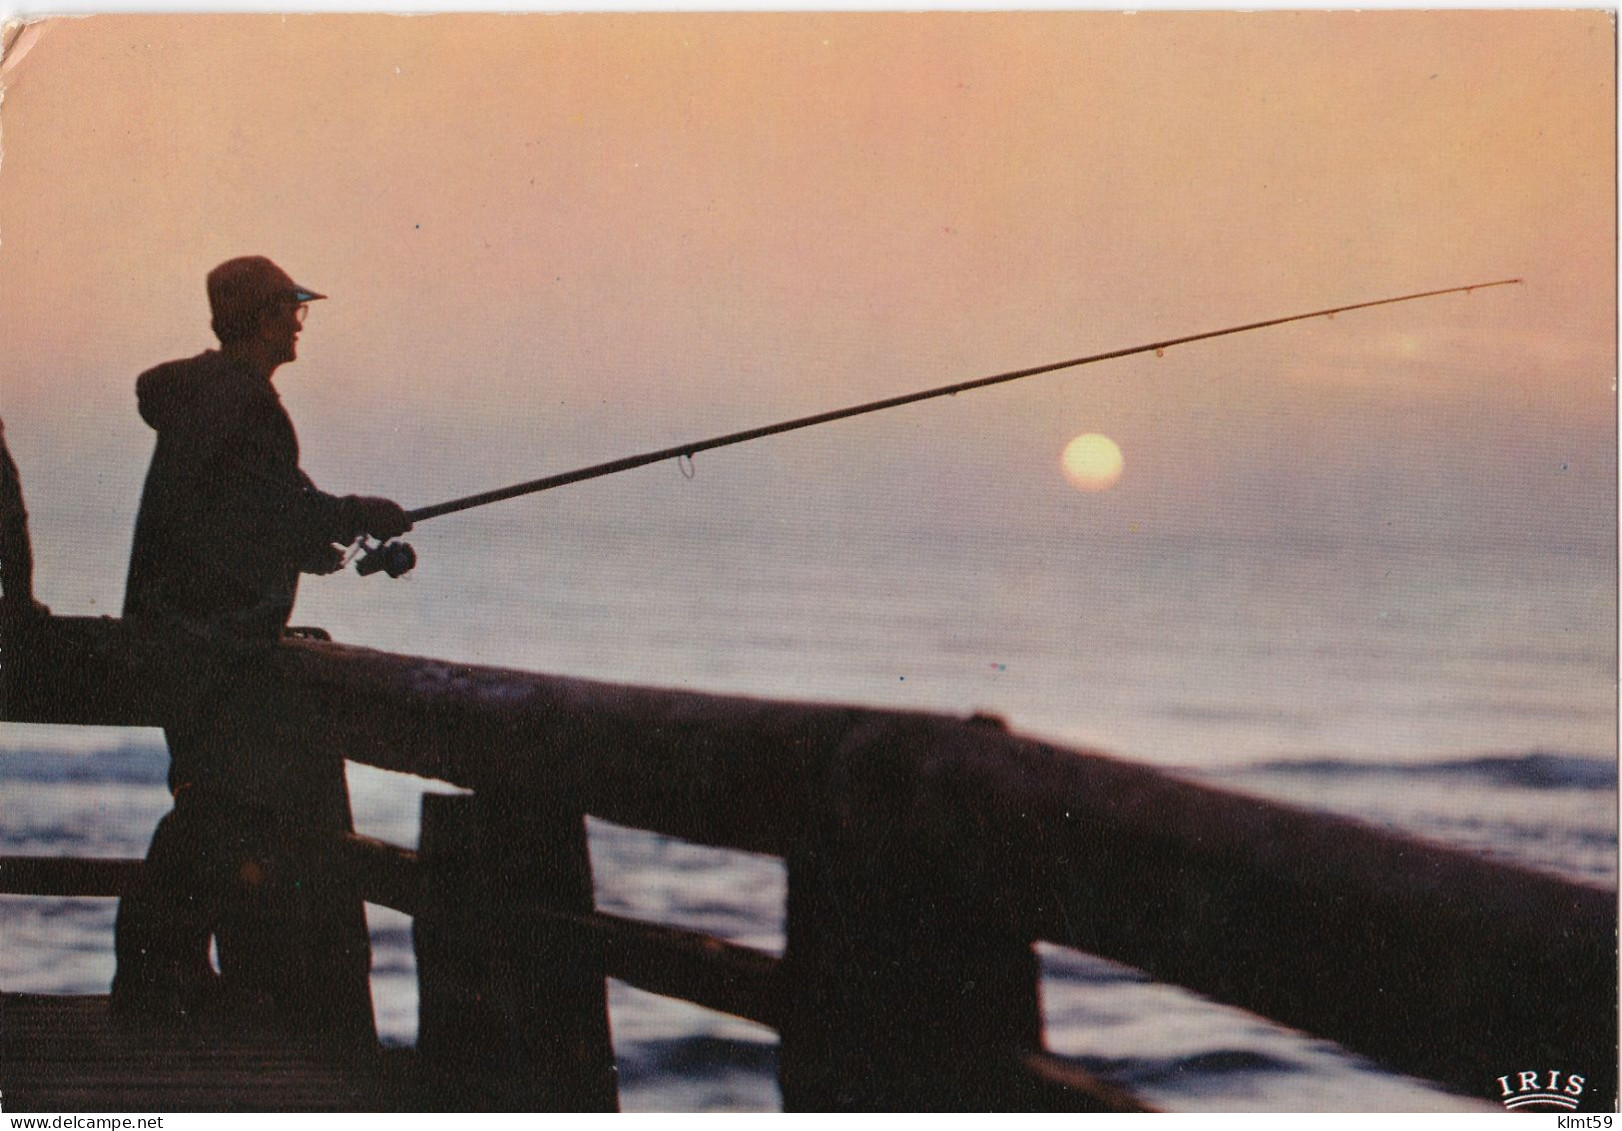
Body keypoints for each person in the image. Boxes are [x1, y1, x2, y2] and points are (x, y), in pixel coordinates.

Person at [112, 256, 411, 1041]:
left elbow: (256, 511)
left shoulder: (216, 400)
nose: (299, 322)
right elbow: (270, 508)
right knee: (220, 805)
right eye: (289, 308)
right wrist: (350, 512)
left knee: (213, 803)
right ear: (258, 317)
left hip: (187, 635)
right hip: (209, 642)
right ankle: (153, 977)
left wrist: (330, 527)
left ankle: (167, 974)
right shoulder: (239, 402)